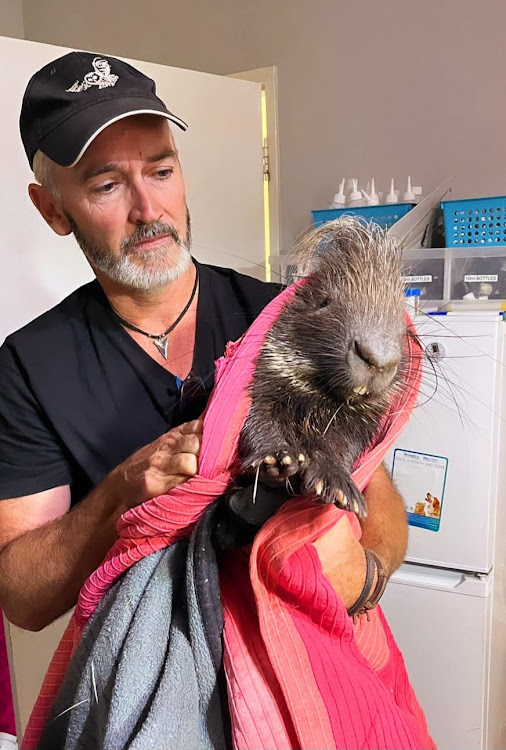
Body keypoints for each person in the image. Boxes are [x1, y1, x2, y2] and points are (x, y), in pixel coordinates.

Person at [0, 51, 407, 632]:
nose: (148, 209)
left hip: (299, 646)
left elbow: (381, 495)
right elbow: (22, 596)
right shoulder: (28, 367)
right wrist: (120, 493)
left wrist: (364, 576)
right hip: (154, 672)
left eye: (161, 172)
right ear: (54, 210)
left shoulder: (282, 313)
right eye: (108, 185)